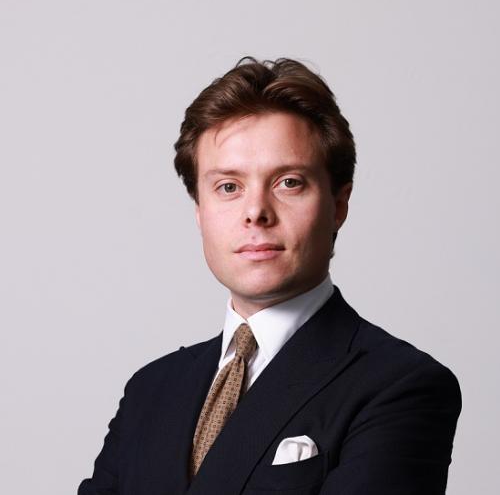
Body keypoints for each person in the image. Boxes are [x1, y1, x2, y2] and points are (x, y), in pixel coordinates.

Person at [79, 57, 461, 495]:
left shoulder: (400, 385)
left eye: (288, 182)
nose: (256, 212)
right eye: (228, 187)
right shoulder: (151, 389)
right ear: (200, 211)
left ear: (339, 205)